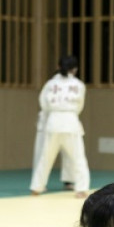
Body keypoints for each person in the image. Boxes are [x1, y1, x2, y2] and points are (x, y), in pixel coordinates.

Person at [31, 55, 91, 198]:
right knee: (78, 157)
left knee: (46, 157)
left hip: (53, 121)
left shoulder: (50, 84)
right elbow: (79, 106)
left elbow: (43, 104)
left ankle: (36, 188)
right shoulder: (78, 85)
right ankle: (81, 189)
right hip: (70, 121)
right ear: (75, 69)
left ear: (58, 67)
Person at [34, 107, 76, 191]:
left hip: (67, 123)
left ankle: (69, 181)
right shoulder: (47, 93)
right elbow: (44, 105)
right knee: (44, 155)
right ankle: (39, 184)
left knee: (71, 154)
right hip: (49, 123)